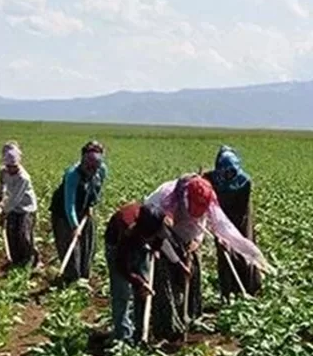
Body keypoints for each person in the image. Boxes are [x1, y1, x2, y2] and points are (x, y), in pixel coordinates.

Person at [143, 174, 270, 341]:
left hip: (189, 234)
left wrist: (196, 240)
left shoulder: (208, 198)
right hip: (161, 233)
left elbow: (206, 222)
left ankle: (190, 316)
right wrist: (178, 262)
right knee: (166, 277)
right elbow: (160, 237)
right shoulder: (164, 198)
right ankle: (167, 325)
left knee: (193, 274)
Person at [103, 201, 184, 344]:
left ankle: (141, 332)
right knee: (122, 292)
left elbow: (160, 239)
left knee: (144, 290)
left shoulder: (157, 221)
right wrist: (138, 281)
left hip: (140, 244)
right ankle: (123, 336)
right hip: (116, 245)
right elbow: (122, 266)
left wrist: (155, 249)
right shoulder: (127, 231)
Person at [203, 145, 261, 298]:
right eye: (225, 171)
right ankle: (228, 292)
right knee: (224, 254)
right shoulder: (211, 178)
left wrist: (231, 233)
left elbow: (241, 210)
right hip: (219, 217)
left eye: (231, 171)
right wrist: (219, 231)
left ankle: (249, 288)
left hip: (240, 218)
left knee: (244, 249)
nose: (228, 175)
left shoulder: (244, 182)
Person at [49, 141, 107, 283]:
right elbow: (69, 203)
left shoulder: (102, 170)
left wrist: (91, 204)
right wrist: (74, 225)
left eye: (95, 166)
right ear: (82, 160)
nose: (91, 169)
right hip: (63, 212)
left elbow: (98, 188)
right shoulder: (73, 174)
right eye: (88, 165)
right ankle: (71, 278)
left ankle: (84, 275)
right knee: (70, 243)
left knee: (88, 242)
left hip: (85, 208)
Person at [0, 142, 40, 268]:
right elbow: (1, 186)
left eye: (14, 166)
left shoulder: (23, 178)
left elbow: (15, 199)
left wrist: (3, 212)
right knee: (12, 233)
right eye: (9, 166)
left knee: (24, 235)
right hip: (13, 207)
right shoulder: (3, 172)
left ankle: (32, 260)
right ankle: (16, 260)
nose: (11, 169)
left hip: (26, 208)